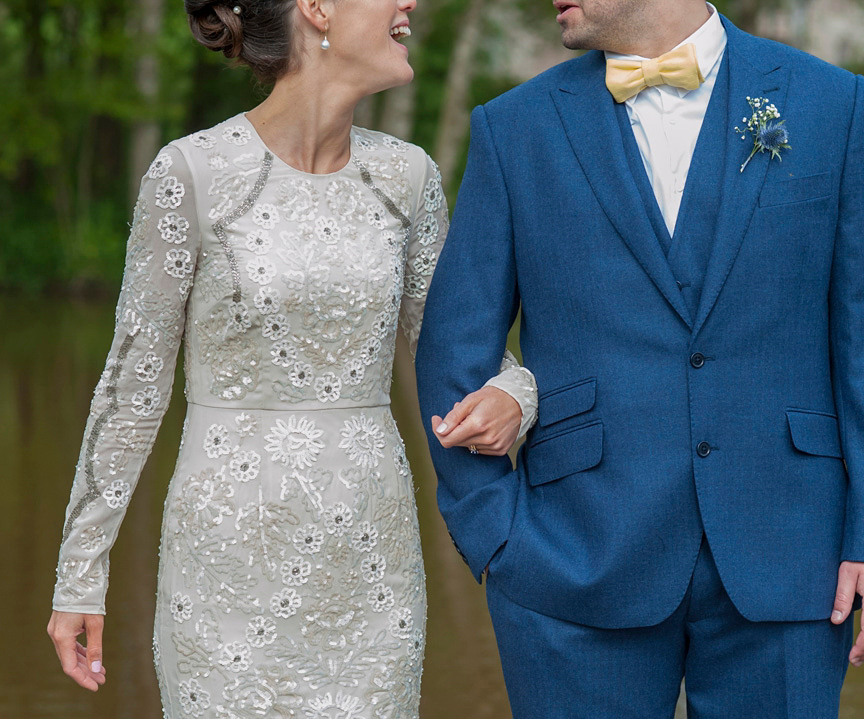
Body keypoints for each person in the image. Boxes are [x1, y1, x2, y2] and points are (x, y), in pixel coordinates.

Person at [415, 0, 864, 716]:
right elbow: (454, 350)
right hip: (573, 559)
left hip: (794, 554)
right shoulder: (515, 127)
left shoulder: (829, 102)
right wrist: (495, 536)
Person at [46, 0, 539, 715]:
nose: (410, 5)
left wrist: (517, 396)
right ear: (317, 9)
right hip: (226, 561)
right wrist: (78, 576)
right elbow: (131, 390)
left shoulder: (409, 178)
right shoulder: (190, 172)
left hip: (371, 564)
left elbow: (466, 351)